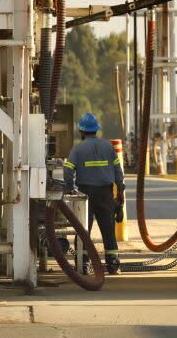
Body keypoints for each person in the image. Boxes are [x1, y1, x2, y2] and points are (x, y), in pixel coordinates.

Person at [64, 112, 125, 275]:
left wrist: (69, 188)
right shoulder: (108, 147)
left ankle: (83, 265)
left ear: (82, 131)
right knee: (108, 230)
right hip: (106, 193)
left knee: (83, 230)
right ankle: (113, 265)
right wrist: (121, 193)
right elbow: (118, 172)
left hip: (85, 195)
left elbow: (68, 170)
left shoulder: (77, 149)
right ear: (96, 130)